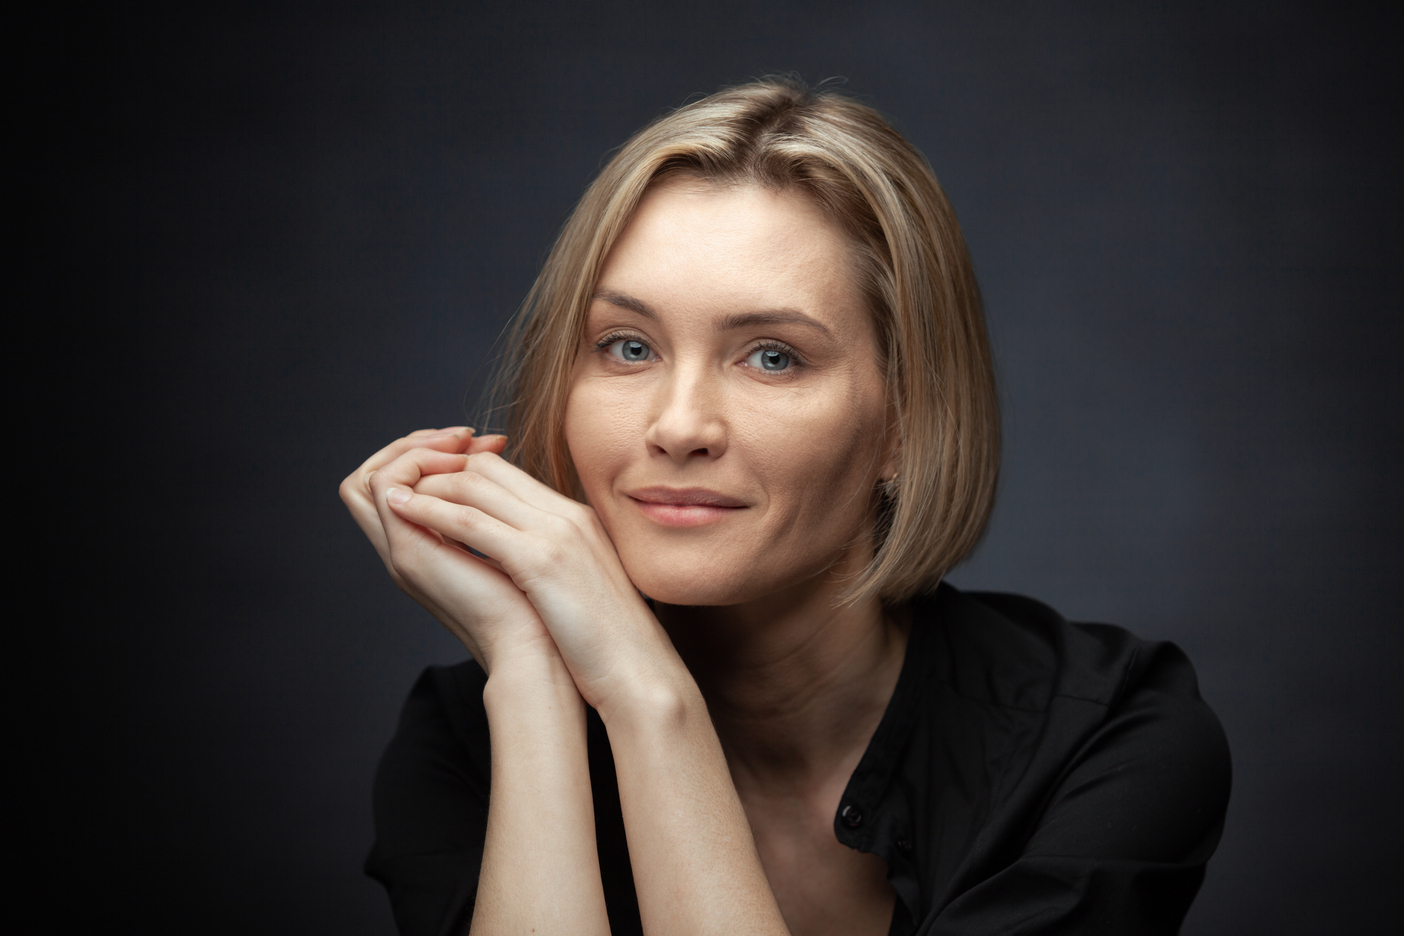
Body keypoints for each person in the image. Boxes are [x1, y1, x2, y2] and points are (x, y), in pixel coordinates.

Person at [339, 78, 1230, 936]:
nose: (679, 425)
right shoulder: (469, 740)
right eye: (626, 346)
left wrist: (648, 699)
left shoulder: (1104, 735)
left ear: (905, 424)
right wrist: (534, 674)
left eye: (773, 357)